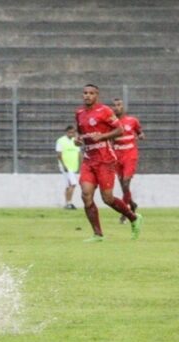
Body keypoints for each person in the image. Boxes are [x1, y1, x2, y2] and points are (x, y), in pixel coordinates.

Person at [75, 84, 143, 243]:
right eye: (85, 93)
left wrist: (103, 137)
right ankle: (98, 234)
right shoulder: (79, 113)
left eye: (91, 93)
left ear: (96, 95)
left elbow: (119, 130)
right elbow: (81, 132)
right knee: (86, 195)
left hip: (105, 159)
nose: (87, 96)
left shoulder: (105, 111)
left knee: (108, 198)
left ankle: (133, 218)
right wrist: (79, 139)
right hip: (89, 160)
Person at [112, 98, 145, 223]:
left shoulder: (132, 121)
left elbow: (140, 132)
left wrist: (141, 135)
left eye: (119, 105)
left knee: (126, 183)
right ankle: (132, 204)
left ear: (123, 107)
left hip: (130, 154)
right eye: (114, 105)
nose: (116, 107)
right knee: (123, 186)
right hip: (117, 155)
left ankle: (125, 213)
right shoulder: (110, 123)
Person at [55, 125, 81, 209]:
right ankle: (69, 203)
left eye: (73, 132)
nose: (71, 134)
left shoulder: (76, 141)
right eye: (69, 132)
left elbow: (79, 153)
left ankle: (66, 204)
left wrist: (80, 165)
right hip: (66, 166)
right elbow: (59, 155)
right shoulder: (61, 140)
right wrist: (63, 165)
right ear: (66, 132)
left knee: (68, 185)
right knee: (73, 184)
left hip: (73, 166)